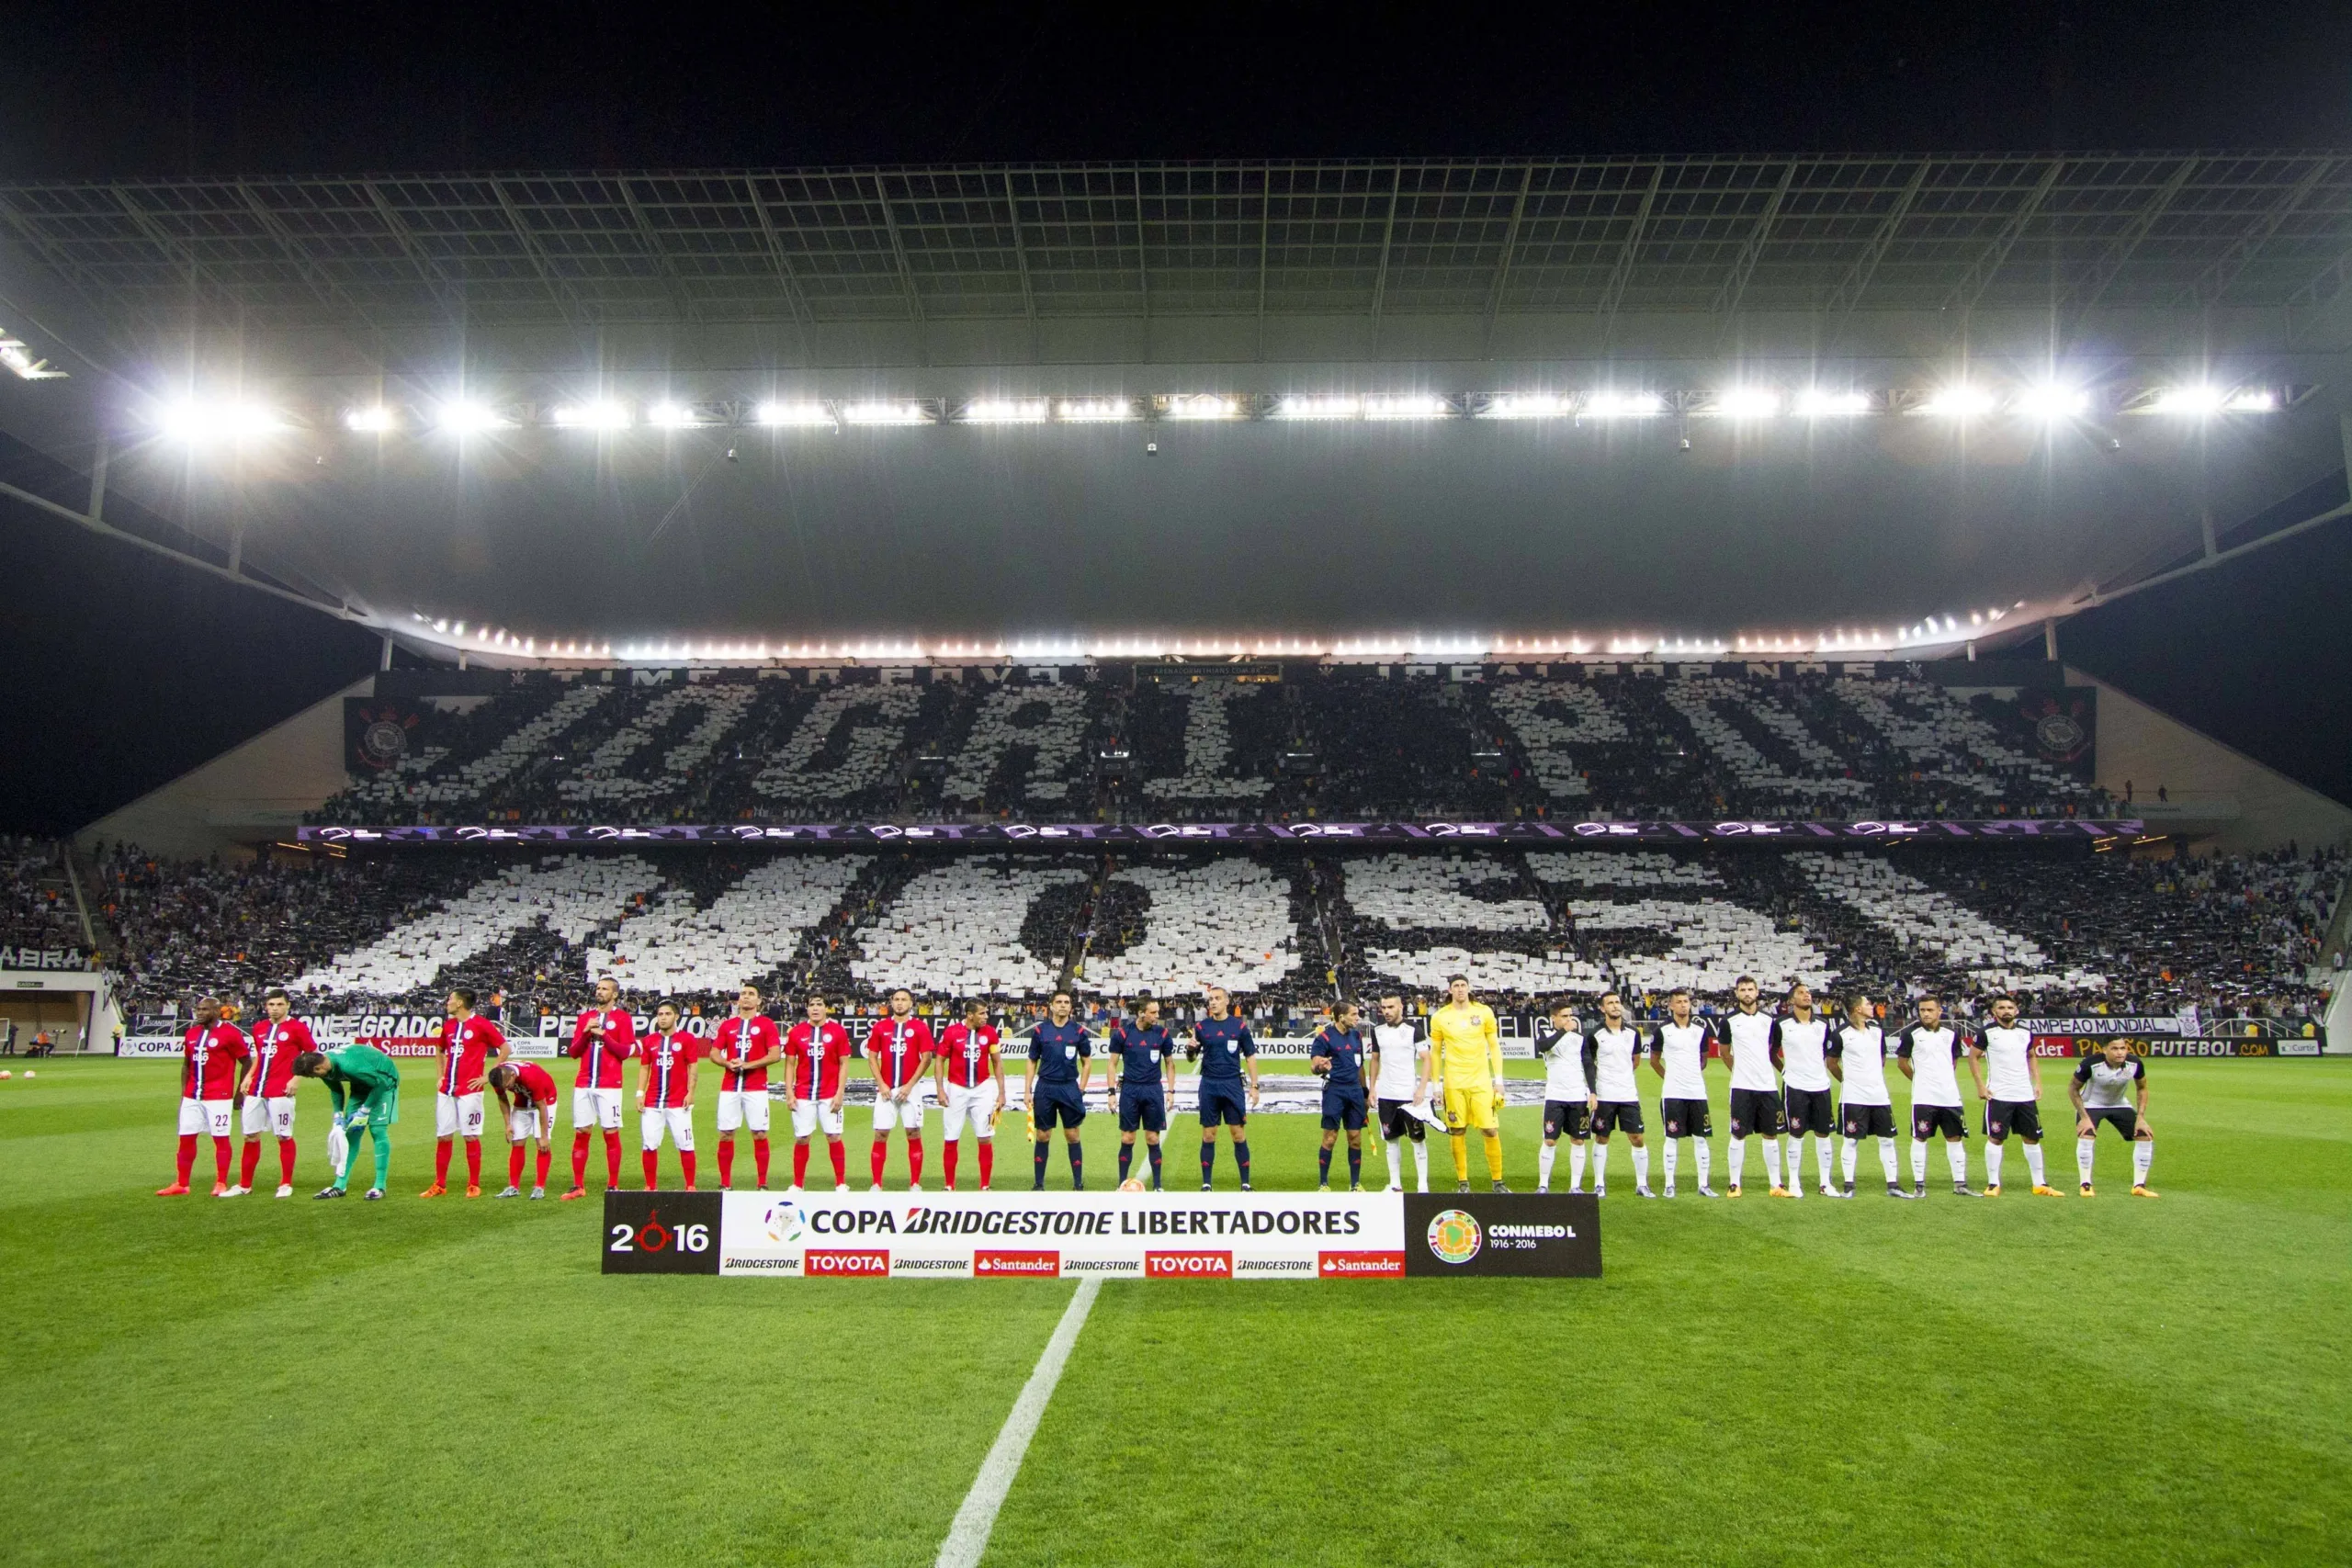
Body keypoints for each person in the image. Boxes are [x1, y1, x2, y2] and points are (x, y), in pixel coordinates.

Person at [157, 995, 248, 1197]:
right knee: (186, 1138)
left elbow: (247, 1061)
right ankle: (182, 1183)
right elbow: (186, 1066)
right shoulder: (191, 1033)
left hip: (219, 1096)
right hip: (192, 1096)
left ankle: (221, 1182)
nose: (199, 1013)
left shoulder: (230, 1034)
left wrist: (240, 1092)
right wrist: (184, 1094)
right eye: (198, 1009)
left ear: (216, 1012)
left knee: (221, 1139)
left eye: (205, 1010)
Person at [1971, 994, 2060, 1197]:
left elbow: (2031, 1056)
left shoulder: (2025, 1033)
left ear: (2016, 1011)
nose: (2006, 1011)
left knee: (2032, 1138)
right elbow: (1973, 1057)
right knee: (1996, 1138)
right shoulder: (1986, 1033)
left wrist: (2037, 1083)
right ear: (1994, 1012)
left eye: (2010, 1007)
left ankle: (2039, 1183)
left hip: (2024, 1094)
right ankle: (1993, 1183)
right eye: (2001, 1007)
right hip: (1999, 1095)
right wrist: (1980, 1085)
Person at [423, 987, 507, 1200]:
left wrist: (490, 1075)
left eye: (450, 999)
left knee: (470, 1135)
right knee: (443, 1136)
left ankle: (473, 1184)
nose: (447, 1002)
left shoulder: (481, 1024)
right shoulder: (448, 1026)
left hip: (470, 1091)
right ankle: (440, 1184)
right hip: (447, 1090)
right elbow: (440, 1050)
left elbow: (505, 1048)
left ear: (460, 1003)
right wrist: (440, 1076)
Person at [1429, 975, 1508, 1194]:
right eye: (1456, 986)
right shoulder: (1440, 1017)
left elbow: (1494, 1046)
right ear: (1450, 990)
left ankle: (1498, 1182)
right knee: (1457, 1130)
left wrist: (1498, 1080)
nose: (1461, 989)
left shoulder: (1483, 1012)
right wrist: (1436, 1086)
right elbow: (1435, 1052)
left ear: (1468, 988)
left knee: (1491, 1130)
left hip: (1481, 1081)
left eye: (1464, 985)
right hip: (1454, 1082)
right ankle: (1463, 1183)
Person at [231, 988, 312, 1199]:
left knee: (283, 1135)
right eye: (271, 1005)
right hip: (257, 1089)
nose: (275, 1008)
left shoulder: (297, 1028)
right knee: (250, 1136)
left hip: (281, 1091)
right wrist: (248, 1076)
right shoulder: (259, 1028)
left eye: (279, 1004)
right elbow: (259, 1056)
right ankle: (245, 1185)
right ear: (265, 1006)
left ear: (288, 1006)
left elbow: (311, 1054)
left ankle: (285, 1183)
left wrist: (296, 1078)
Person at [1895, 995, 1980, 1197]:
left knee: (1955, 1137)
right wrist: (1919, 1081)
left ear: (1939, 1011)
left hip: (1950, 1096)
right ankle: (1919, 1185)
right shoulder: (1910, 1034)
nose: (1925, 1013)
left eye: (1929, 1010)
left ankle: (1960, 1183)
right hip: (1924, 1097)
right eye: (1922, 1010)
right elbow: (1902, 1063)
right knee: (1920, 1137)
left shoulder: (1951, 1034)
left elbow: (1953, 1060)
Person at [294, 1043, 401, 1201]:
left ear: (317, 1069)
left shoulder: (350, 1066)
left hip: (385, 1082)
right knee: (352, 1134)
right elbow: (336, 1089)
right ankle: (340, 1185)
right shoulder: (324, 1066)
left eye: (313, 1075)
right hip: (361, 1084)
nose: (314, 1078)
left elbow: (380, 1083)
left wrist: (364, 1110)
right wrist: (338, 1114)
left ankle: (379, 1186)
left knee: (378, 1131)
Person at [562, 976, 636, 1200]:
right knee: (581, 1133)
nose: (599, 991)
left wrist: (605, 1036)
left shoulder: (622, 1019)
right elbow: (573, 1052)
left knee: (610, 1133)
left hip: (609, 1085)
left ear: (614, 995)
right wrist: (586, 1032)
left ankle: (613, 1185)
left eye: (605, 989)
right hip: (584, 1084)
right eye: (598, 988)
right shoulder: (585, 1017)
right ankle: (578, 1186)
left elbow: (626, 1052)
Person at [1830, 995, 1907, 1198]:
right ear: (1857, 1009)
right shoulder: (1841, 1034)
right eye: (1867, 1004)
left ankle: (1893, 1184)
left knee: (1887, 1140)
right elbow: (1831, 1063)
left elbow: (1881, 1058)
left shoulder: (1877, 1032)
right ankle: (1848, 1185)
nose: (1872, 1007)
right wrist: (1847, 1082)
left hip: (1879, 1096)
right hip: (1853, 1097)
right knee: (1851, 1140)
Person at [709, 984, 782, 1190]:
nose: (746, 997)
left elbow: (775, 1054)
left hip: (756, 1087)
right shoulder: (728, 1025)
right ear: (738, 1000)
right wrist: (727, 1063)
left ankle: (762, 1182)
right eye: (743, 994)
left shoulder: (766, 1024)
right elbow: (714, 1053)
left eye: (751, 994)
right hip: (730, 1087)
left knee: (759, 1133)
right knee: (726, 1133)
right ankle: (725, 1183)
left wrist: (748, 1065)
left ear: (759, 1001)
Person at [1719, 976, 1785, 1198]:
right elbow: (1724, 1053)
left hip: (1767, 1086)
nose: (1746, 993)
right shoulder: (1728, 1021)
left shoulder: (1769, 1020)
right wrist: (1740, 1072)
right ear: (1736, 994)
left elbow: (1771, 1050)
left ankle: (1776, 1185)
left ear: (1757, 992)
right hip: (1741, 1087)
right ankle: (1734, 1184)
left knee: (1771, 1134)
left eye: (1750, 989)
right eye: (1742, 990)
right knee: (1738, 1135)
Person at [1649, 987, 1719, 1198]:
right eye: (1678, 1002)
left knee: (1701, 1138)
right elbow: (1654, 1060)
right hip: (1673, 1093)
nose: (1683, 1005)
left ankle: (1703, 1184)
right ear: (1670, 1005)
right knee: (1672, 1138)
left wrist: (1693, 1074)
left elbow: (1704, 1057)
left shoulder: (1700, 1029)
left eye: (1686, 1001)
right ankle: (1669, 1184)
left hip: (1697, 1093)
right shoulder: (1662, 1030)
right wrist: (1670, 1077)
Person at [1188, 985, 1260, 1190]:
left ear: (1227, 1001)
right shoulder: (1202, 1028)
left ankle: (1245, 1183)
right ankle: (1206, 1184)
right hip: (1209, 1084)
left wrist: (1255, 1086)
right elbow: (1191, 1058)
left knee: (1238, 1133)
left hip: (1232, 1085)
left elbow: (1250, 1057)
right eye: (1211, 999)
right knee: (1209, 1134)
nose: (1213, 1002)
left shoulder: (1239, 1028)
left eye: (1218, 998)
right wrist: (1190, 1050)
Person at [865, 988, 936, 1190]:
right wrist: (881, 1084)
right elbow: (872, 1057)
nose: (899, 1003)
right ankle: (877, 1183)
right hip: (886, 1090)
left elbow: (927, 1058)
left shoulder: (920, 1027)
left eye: (904, 1000)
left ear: (911, 1003)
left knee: (913, 1133)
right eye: (896, 999)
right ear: (891, 1002)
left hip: (910, 1090)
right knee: (880, 1133)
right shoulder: (880, 1027)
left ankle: (915, 1183)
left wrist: (910, 1085)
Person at [2070, 1037, 2157, 1197]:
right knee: (2086, 1135)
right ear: (2104, 1050)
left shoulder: (2134, 1064)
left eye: (2123, 1048)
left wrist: (2141, 1118)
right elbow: (2073, 1089)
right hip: (2091, 1104)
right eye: (2115, 1049)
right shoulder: (2090, 1064)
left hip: (2119, 1104)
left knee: (2144, 1135)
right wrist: (2084, 1117)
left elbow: (2142, 1088)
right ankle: (2085, 1184)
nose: (2120, 1052)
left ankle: (2139, 1186)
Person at [1772, 982, 1837, 1200]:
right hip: (1795, 1087)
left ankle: (1825, 1183)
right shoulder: (1781, 1024)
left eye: (1808, 992)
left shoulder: (1823, 1024)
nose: (1806, 995)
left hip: (1821, 1086)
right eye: (1801, 993)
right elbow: (1772, 1053)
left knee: (1824, 1134)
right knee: (1796, 1134)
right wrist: (1785, 1071)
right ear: (1791, 1000)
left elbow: (1828, 1053)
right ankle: (1794, 1182)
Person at [1025, 988, 1093, 1190]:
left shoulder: (1078, 1032)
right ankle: (1038, 1184)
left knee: (1072, 1134)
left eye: (1067, 1002)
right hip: (1045, 1086)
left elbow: (1087, 1062)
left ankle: (1078, 1183)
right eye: (1059, 1002)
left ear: (1071, 1007)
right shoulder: (1040, 1031)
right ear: (1052, 1006)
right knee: (1043, 1135)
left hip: (1069, 1087)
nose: (1063, 1005)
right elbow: (1032, 1061)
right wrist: (1027, 1090)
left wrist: (1081, 1088)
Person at [1107, 996, 1177, 1190]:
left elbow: (1170, 1064)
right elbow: (1112, 1063)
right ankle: (1121, 1184)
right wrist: (1111, 1092)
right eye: (1153, 1012)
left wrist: (1171, 1091)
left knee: (1152, 1138)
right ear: (1141, 1013)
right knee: (1127, 1138)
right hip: (1130, 1090)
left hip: (1153, 1090)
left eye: (1157, 1012)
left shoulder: (1162, 1034)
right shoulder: (1122, 1034)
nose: (1157, 1016)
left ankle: (1157, 1185)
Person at [1587, 991, 1652, 1198]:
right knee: (1602, 1138)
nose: (1615, 1006)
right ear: (1602, 1008)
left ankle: (1642, 1184)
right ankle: (1599, 1184)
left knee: (1637, 1138)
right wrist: (1595, 1090)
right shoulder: (1594, 1034)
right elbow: (1589, 1064)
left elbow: (1636, 1060)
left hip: (1628, 1095)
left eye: (1617, 1002)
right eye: (1610, 1003)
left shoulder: (1633, 1033)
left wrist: (1621, 1076)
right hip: (1605, 1095)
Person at [786, 994, 853, 1193]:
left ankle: (840, 1183)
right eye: (811, 1005)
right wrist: (789, 1092)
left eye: (819, 1004)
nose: (815, 1008)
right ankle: (798, 1184)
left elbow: (844, 1063)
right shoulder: (796, 1032)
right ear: (806, 1009)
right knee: (802, 1138)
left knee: (834, 1136)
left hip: (829, 1094)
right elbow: (790, 1064)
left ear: (826, 1008)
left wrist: (840, 1093)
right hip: (803, 1094)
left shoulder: (838, 1031)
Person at [933, 999, 1003, 1190]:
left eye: (986, 1013)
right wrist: (940, 1089)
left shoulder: (989, 1033)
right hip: (956, 1089)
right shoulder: (951, 1033)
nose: (986, 1017)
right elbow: (939, 1061)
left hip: (983, 1090)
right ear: (969, 1015)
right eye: (982, 1013)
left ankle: (985, 1185)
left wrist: (1001, 1093)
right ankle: (949, 1185)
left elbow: (997, 1062)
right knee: (951, 1137)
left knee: (985, 1135)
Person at [1367, 993, 1431, 1193]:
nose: (1386, 1011)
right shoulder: (1377, 1031)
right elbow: (1375, 1059)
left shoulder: (1414, 1030)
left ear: (1401, 1007)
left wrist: (1421, 1089)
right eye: (1383, 1007)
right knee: (1391, 1141)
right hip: (1386, 1095)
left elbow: (1427, 1059)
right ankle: (1395, 1184)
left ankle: (1422, 1185)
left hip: (1410, 1096)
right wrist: (1372, 1088)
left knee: (1417, 1139)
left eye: (1390, 1007)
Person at [637, 1000, 702, 1190]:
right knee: (649, 1144)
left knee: (686, 1143)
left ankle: (690, 1185)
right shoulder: (649, 1041)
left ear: (676, 1017)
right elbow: (644, 1068)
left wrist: (691, 1093)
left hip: (678, 1102)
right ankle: (650, 1186)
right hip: (652, 1102)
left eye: (667, 1014)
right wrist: (640, 1093)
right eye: (660, 1014)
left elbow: (693, 1068)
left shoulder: (687, 1039)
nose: (663, 1018)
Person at [1533, 999, 1594, 1195]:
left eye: (1570, 1015)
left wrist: (1593, 1091)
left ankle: (1575, 1186)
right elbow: (1543, 1047)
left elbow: (1588, 1064)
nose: (1569, 1019)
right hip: (1555, 1096)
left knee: (1578, 1140)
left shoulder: (1580, 1038)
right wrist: (1563, 1031)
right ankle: (1543, 1184)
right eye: (1564, 1016)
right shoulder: (1547, 1034)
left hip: (1578, 1096)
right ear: (1554, 1019)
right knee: (1550, 1140)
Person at [1308, 1000, 1370, 1191]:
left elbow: (1360, 1066)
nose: (1357, 1018)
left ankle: (1355, 1184)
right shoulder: (1324, 1038)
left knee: (1355, 1137)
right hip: (1335, 1091)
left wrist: (1365, 1093)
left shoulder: (1357, 1036)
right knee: (1330, 1138)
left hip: (1355, 1092)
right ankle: (1324, 1183)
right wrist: (1320, 1066)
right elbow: (1313, 1066)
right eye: (1353, 1014)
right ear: (1341, 1017)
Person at [488, 1059, 560, 1198]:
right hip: (522, 1101)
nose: (505, 1088)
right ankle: (513, 1187)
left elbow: (542, 1106)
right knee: (517, 1141)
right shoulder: (498, 1077)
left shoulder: (531, 1076)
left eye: (507, 1085)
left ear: (513, 1076)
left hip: (545, 1100)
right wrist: (508, 1124)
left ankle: (539, 1187)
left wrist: (544, 1136)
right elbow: (502, 1099)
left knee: (542, 1144)